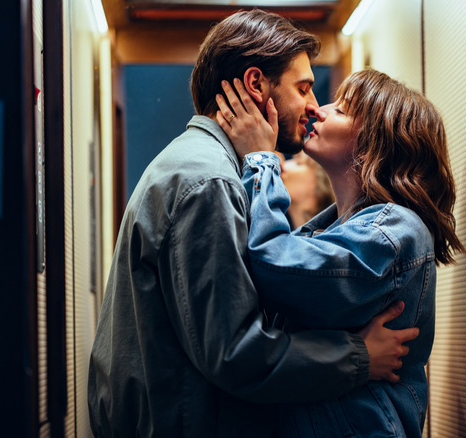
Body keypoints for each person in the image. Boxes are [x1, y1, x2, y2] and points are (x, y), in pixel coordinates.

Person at [87, 10, 420, 438]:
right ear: (255, 85)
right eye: (303, 89)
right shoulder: (209, 182)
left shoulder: (196, 165)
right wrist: (356, 356)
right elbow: (234, 352)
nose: (313, 106)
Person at [216, 68, 464, 437]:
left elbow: (274, 264)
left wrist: (260, 158)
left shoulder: (396, 229)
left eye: (343, 109)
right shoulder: (330, 229)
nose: (318, 109)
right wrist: (358, 352)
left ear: (378, 142)